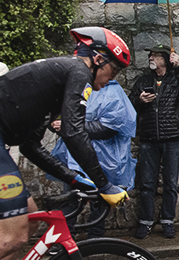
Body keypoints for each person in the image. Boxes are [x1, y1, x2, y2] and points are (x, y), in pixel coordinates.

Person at [0, 28, 131, 260]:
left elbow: (30, 146)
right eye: (114, 69)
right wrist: (104, 184)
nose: (112, 78)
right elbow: (74, 131)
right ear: (98, 59)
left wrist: (74, 178)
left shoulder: (58, 81)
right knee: (11, 234)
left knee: (26, 220)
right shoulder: (77, 72)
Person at [49, 75, 136, 238]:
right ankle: (64, 238)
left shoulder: (113, 90)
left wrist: (71, 126)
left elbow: (109, 127)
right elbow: (54, 112)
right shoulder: (74, 87)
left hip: (102, 156)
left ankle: (95, 238)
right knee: (70, 197)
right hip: (73, 153)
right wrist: (54, 123)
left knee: (99, 198)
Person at [130, 45, 179, 239]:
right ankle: (145, 222)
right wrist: (140, 100)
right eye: (150, 55)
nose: (151, 58)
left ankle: (168, 221)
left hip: (173, 137)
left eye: (156, 55)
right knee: (147, 183)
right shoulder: (143, 80)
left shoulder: (176, 78)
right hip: (149, 138)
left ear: (166, 60)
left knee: (170, 183)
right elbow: (130, 103)